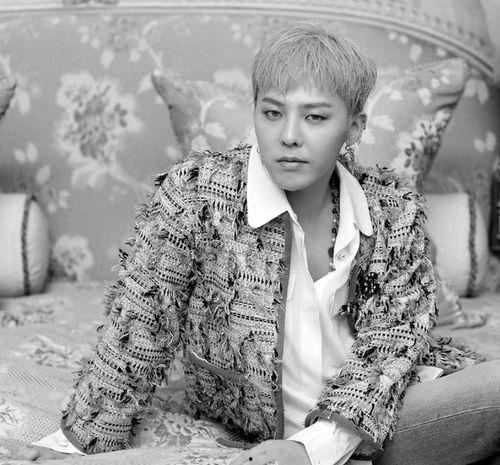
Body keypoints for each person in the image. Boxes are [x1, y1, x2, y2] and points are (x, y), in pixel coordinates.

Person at [15, 22, 499, 465]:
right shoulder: (196, 196)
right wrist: (75, 444)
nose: (288, 136)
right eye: (272, 113)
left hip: (381, 422)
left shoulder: (394, 212)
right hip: (258, 438)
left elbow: (393, 340)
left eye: (315, 117)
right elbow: (140, 324)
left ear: (354, 127)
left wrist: (311, 449)